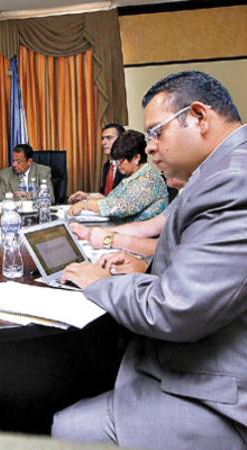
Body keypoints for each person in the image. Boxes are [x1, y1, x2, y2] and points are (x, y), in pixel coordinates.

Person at [54, 71, 247, 449]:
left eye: (157, 133)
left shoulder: (233, 180)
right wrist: (146, 268)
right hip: (212, 348)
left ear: (198, 117)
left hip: (225, 392)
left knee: (67, 424)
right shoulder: (219, 169)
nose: (151, 147)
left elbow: (175, 309)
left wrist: (101, 283)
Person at [67, 130, 168, 223]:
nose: (118, 165)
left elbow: (120, 207)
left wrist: (85, 204)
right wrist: (88, 197)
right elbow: (112, 199)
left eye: (120, 161)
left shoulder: (149, 180)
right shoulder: (131, 177)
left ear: (136, 158)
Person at [70, 177, 185, 258]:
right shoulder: (185, 194)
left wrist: (110, 239)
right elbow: (149, 227)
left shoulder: (150, 178)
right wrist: (89, 232)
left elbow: (173, 250)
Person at [68, 123, 125, 203]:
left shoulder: (128, 167)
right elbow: (105, 196)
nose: (103, 142)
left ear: (121, 140)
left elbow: (124, 202)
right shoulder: (107, 166)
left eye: (109, 138)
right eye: (103, 138)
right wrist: (87, 196)